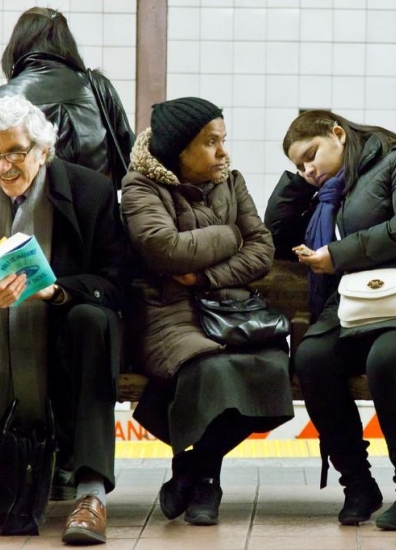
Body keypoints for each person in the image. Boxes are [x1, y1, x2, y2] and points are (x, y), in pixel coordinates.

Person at [0, 95, 127, 546]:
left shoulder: (91, 192)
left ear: (43, 151)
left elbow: (117, 281)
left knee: (94, 322)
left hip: (61, 333)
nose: (3, 166)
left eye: (15, 152)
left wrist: (57, 291)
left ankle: (90, 493)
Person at [265, 110, 396, 531]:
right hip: (362, 304)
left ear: (338, 133)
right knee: (312, 358)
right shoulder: (333, 192)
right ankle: (358, 485)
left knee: (388, 359)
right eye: (297, 166)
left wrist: (338, 255)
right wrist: (299, 184)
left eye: (310, 156)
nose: (307, 170)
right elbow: (278, 239)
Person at [120, 97, 294, 526]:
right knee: (209, 369)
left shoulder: (230, 181)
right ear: (180, 149)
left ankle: (192, 470)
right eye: (211, 142)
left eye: (223, 140)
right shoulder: (141, 186)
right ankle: (208, 485)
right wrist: (230, 233)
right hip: (167, 314)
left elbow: (263, 250)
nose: (223, 153)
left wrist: (203, 278)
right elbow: (164, 248)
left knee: (273, 365)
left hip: (230, 308)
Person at [0, 6, 134, 190]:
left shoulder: (2, 98)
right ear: (67, 43)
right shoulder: (98, 87)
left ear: (16, 44)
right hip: (97, 211)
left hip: (29, 213)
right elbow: (129, 158)